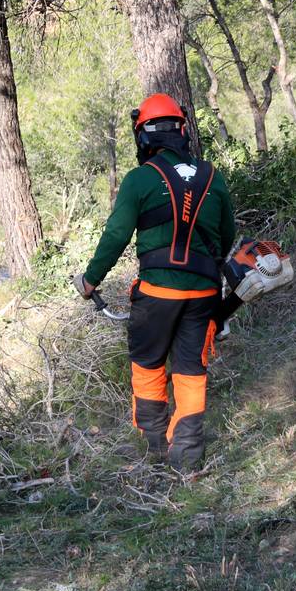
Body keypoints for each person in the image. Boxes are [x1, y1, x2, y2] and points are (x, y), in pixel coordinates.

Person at [78, 93, 236, 472]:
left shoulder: (139, 180)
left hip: (157, 295)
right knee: (190, 369)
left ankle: (153, 446)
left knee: (148, 365)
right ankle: (187, 457)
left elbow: (116, 235)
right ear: (182, 131)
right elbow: (227, 235)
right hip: (204, 294)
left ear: (143, 136)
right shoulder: (212, 176)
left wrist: (90, 279)